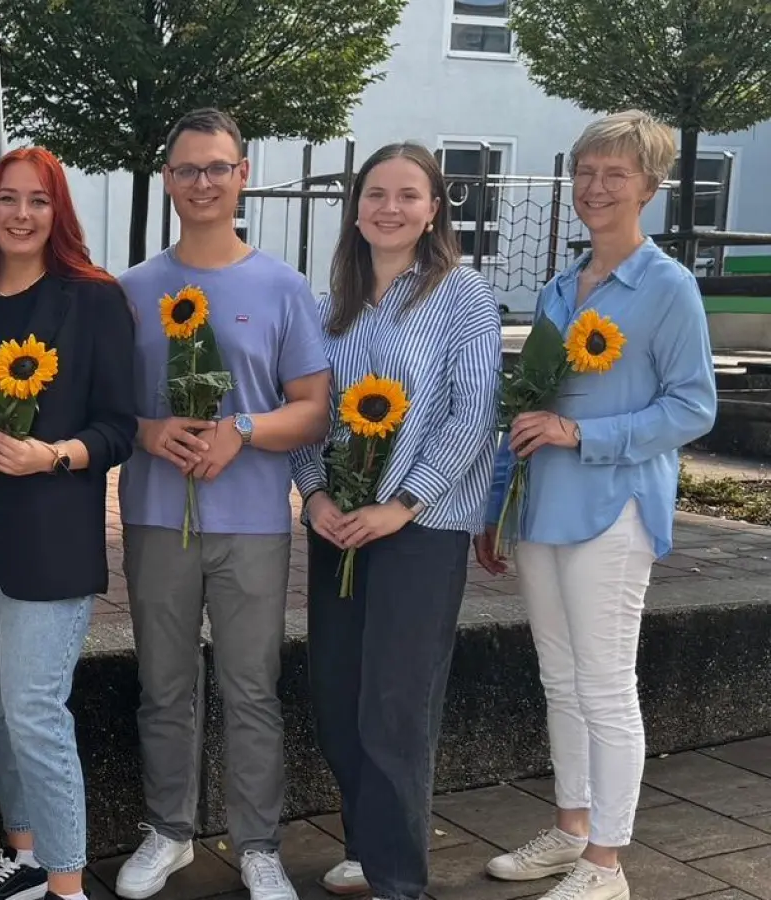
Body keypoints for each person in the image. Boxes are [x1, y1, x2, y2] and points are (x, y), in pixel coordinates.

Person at [474, 110, 717, 900]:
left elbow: (692, 408)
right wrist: (498, 505)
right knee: (561, 679)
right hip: (543, 509)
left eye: (615, 174)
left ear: (650, 186)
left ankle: (606, 865)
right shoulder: (556, 286)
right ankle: (572, 829)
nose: (595, 187)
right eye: (585, 171)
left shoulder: (668, 287)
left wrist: (584, 433)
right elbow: (529, 405)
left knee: (608, 684)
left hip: (613, 508)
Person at [113, 107, 331, 900]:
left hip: (252, 524)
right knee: (163, 683)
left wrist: (243, 428)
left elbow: (314, 407)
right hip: (155, 518)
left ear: (242, 175)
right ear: (167, 181)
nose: (202, 183)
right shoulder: (133, 289)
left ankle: (259, 843)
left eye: (217, 168)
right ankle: (169, 831)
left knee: (251, 688)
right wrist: (148, 429)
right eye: (186, 170)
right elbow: (107, 409)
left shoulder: (282, 286)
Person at [0, 146, 137, 900]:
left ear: (58, 211)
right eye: (7, 199)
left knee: (36, 709)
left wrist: (55, 455)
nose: (20, 214)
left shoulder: (93, 299)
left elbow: (121, 426)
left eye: (38, 201)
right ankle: (28, 856)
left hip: (48, 526)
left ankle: (70, 888)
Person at [289, 142, 502, 900]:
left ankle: (399, 880)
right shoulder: (328, 306)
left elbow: (471, 416)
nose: (389, 207)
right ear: (355, 207)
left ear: (435, 208)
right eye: (375, 193)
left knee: (396, 704)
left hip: (423, 526)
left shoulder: (463, 296)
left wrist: (401, 503)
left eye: (408, 195)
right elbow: (310, 415)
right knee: (337, 695)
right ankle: (368, 840)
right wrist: (315, 498)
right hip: (339, 527)